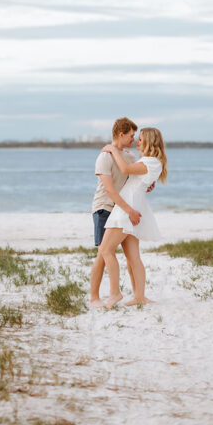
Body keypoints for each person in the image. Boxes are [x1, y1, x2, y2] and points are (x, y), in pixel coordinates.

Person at [97, 127, 168, 308]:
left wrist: (113, 150)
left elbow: (126, 168)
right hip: (133, 206)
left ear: (150, 141)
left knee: (105, 250)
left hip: (128, 209)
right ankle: (139, 296)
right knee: (133, 256)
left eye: (141, 139)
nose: (137, 141)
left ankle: (115, 294)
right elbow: (135, 177)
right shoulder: (149, 161)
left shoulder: (151, 161)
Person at [88, 117, 141, 306]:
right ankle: (94, 297)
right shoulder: (104, 157)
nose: (133, 139)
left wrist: (147, 187)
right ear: (121, 134)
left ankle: (135, 295)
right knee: (102, 255)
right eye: (131, 135)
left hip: (121, 210)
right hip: (104, 208)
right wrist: (130, 211)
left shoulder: (130, 157)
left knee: (123, 254)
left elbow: (133, 184)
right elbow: (109, 189)